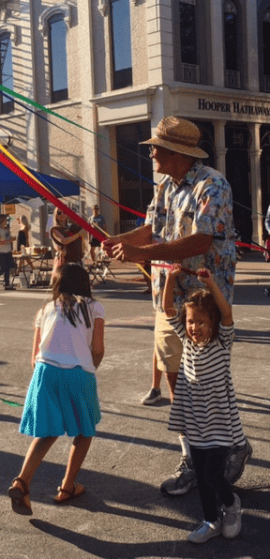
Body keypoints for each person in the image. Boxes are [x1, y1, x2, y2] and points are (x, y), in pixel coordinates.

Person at [102, 116, 251, 495]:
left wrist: (141, 251)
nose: (150, 152)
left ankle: (231, 445)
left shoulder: (212, 184)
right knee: (174, 376)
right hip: (168, 299)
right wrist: (116, 240)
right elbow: (152, 229)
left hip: (202, 301)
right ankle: (191, 455)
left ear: (177, 153)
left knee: (207, 383)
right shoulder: (166, 185)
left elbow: (200, 241)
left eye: (156, 147)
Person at [7, 263, 105, 515]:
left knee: (47, 432)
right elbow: (98, 349)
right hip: (78, 373)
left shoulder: (46, 309)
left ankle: (22, 481)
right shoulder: (94, 308)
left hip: (45, 371)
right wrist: (89, 367)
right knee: (84, 429)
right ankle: (68, 485)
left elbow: (34, 355)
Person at [163, 266, 244, 543]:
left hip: (219, 422)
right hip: (195, 421)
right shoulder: (186, 341)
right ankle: (211, 521)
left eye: (201, 322)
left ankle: (231, 504)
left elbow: (228, 313)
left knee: (212, 475)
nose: (194, 327)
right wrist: (171, 278)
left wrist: (210, 284)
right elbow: (167, 310)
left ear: (213, 323)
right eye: (191, 322)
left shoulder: (222, 342)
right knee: (201, 475)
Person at [50, 206, 83, 280]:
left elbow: (82, 228)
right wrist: (79, 234)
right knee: (64, 286)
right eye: (59, 213)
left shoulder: (71, 227)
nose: (62, 214)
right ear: (55, 215)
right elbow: (64, 241)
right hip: (64, 262)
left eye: (64, 212)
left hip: (76, 259)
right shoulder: (55, 229)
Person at [0, 214, 16, 290]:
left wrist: (12, 239)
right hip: (1, 252)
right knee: (3, 268)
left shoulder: (7, 229)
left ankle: (7, 284)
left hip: (8, 251)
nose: (7, 221)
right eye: (6, 220)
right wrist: (9, 241)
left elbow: (8, 238)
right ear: (2, 221)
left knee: (8, 269)